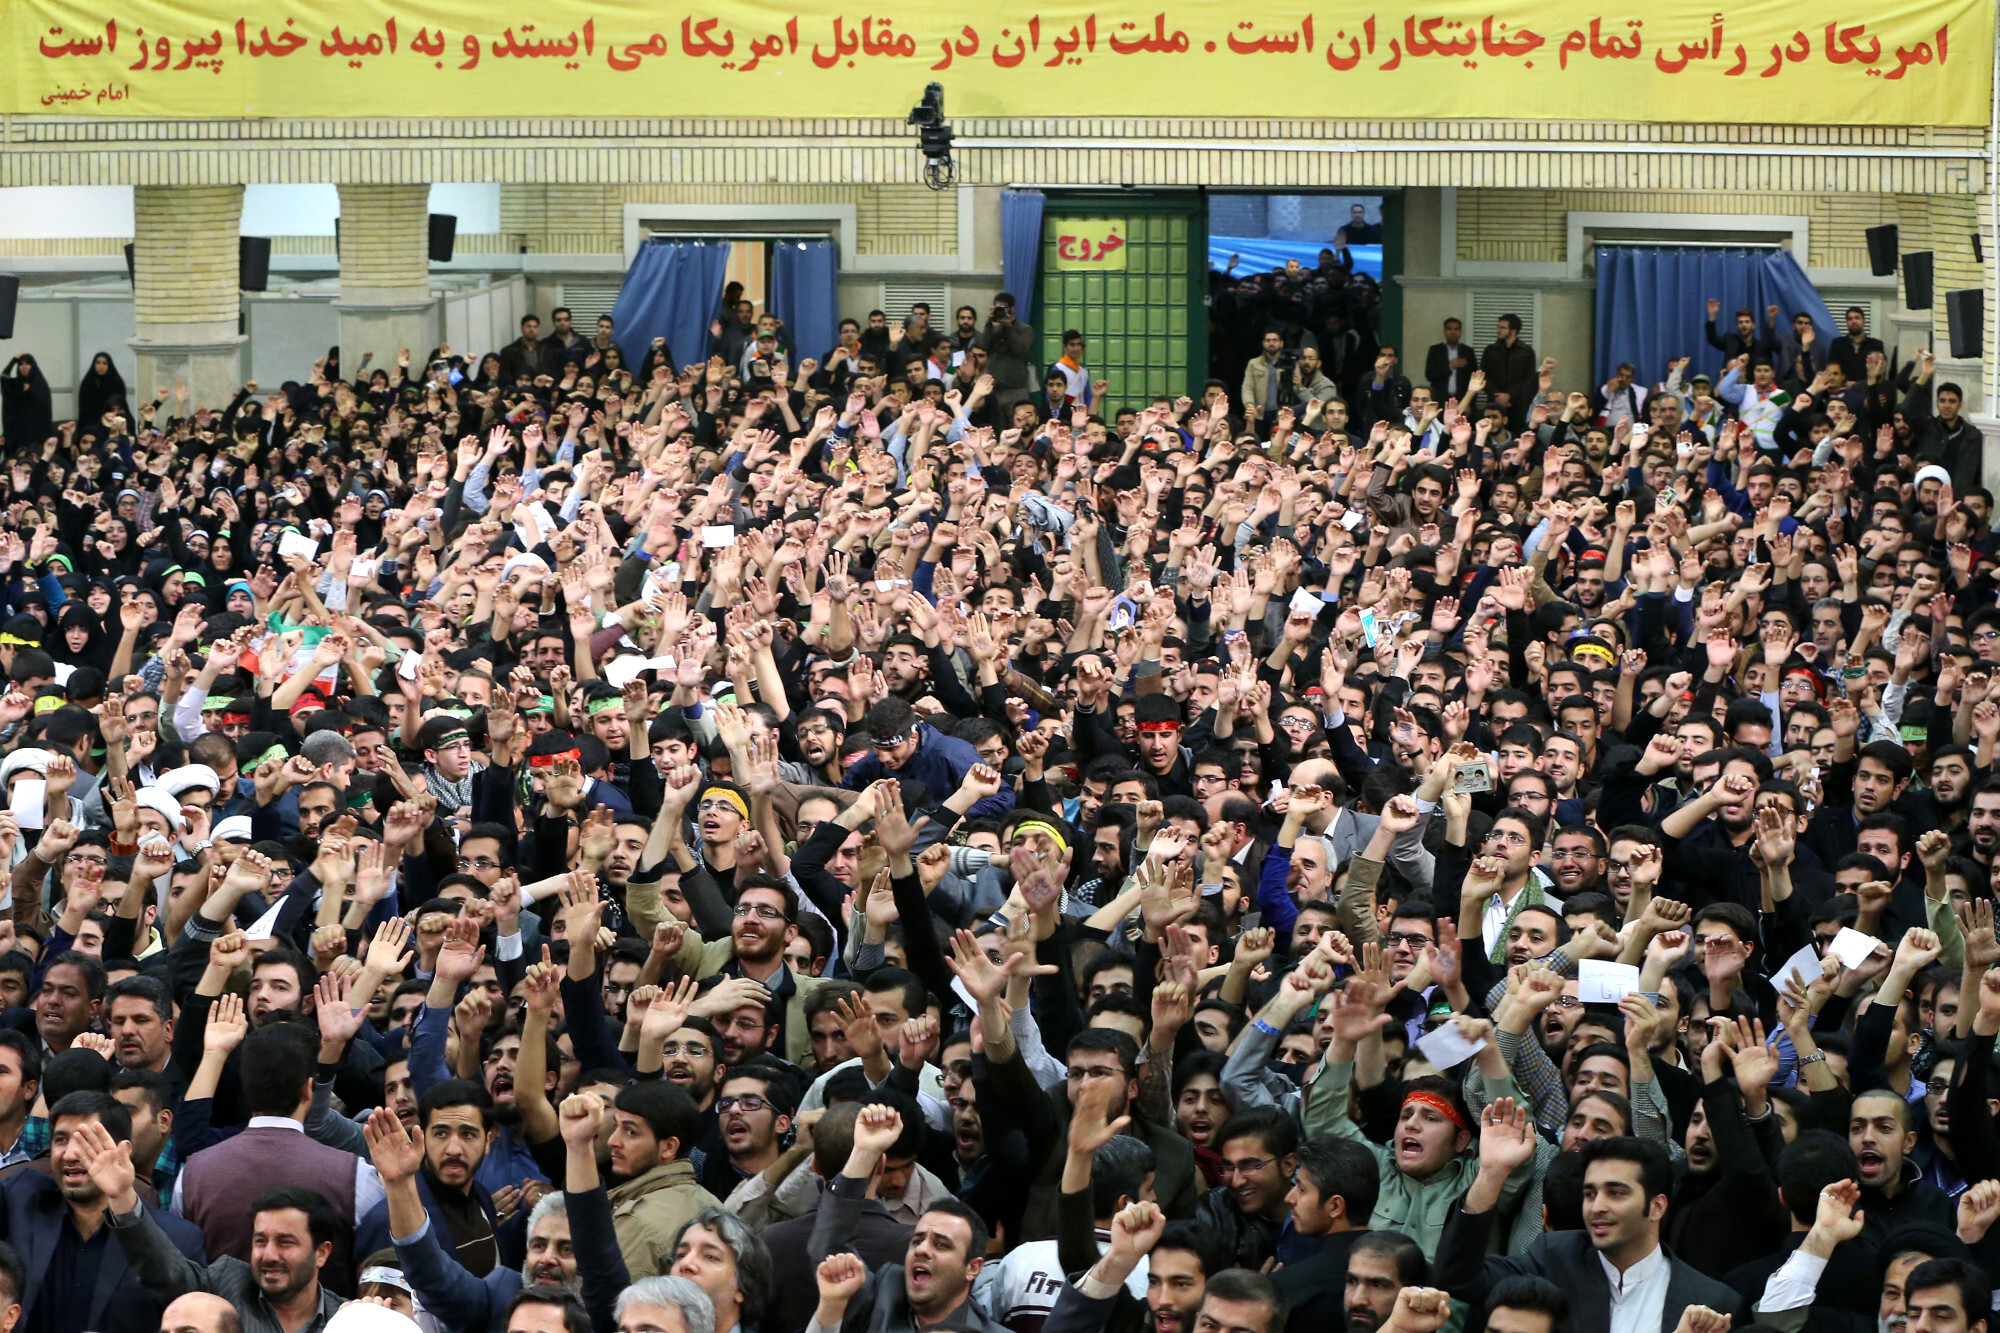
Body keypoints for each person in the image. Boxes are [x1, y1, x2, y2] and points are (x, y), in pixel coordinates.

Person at [1433, 1116, 1744, 1331]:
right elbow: (1458, 1277)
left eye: (1616, 1193)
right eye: (1590, 1193)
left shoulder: (1712, 1303)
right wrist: (1491, 1174)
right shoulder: (1553, 1258)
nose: (1597, 1207)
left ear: (1656, 1206)